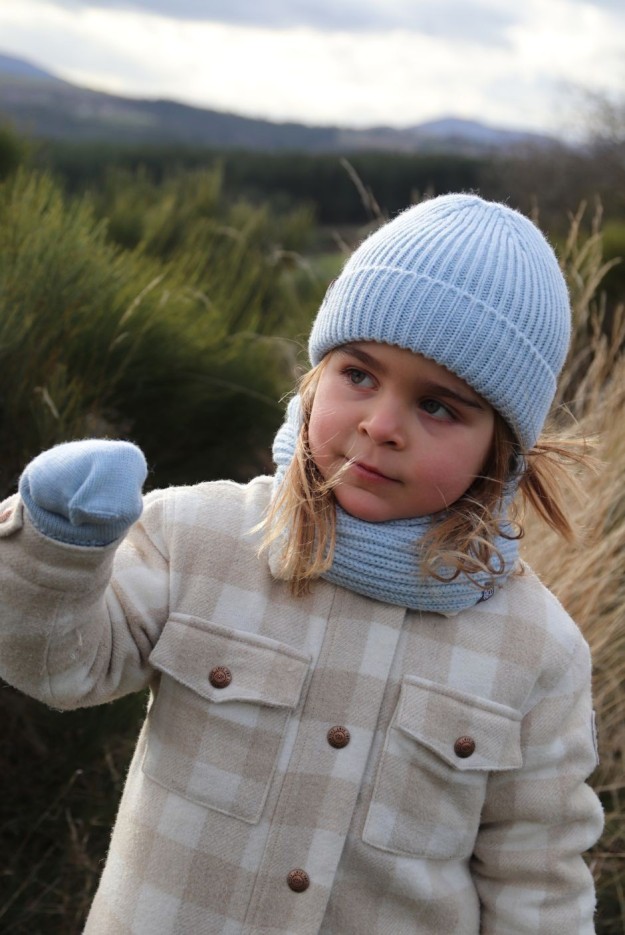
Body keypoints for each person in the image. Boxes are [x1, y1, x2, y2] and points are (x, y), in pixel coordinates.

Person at [0, 193, 603, 934]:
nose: (381, 425)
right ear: (316, 375)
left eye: (439, 406)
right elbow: (60, 666)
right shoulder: (198, 536)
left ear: (500, 450)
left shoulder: (538, 652)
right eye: (359, 375)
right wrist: (58, 546)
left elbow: (538, 884)